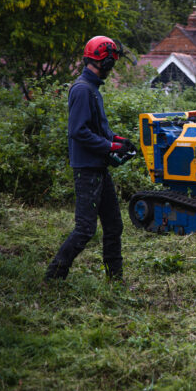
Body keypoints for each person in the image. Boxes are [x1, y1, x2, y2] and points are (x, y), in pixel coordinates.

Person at [44, 36, 136, 281]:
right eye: (111, 63)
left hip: (98, 168)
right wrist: (108, 147)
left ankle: (115, 279)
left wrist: (117, 141)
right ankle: (53, 276)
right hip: (87, 170)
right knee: (85, 229)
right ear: (103, 62)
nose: (111, 68)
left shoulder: (92, 88)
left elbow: (96, 128)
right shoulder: (83, 89)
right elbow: (78, 131)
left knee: (114, 225)